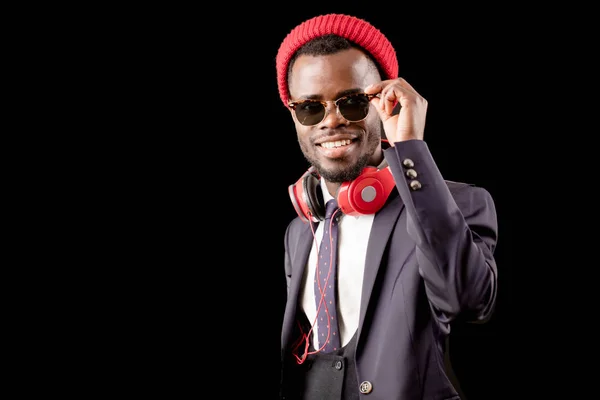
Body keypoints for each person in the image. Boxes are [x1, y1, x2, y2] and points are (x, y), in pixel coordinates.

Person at [276, 13, 499, 400]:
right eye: (310, 108)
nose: (331, 121)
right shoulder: (300, 229)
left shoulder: (458, 204)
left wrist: (411, 149)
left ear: (384, 102)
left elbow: (468, 300)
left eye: (353, 103)